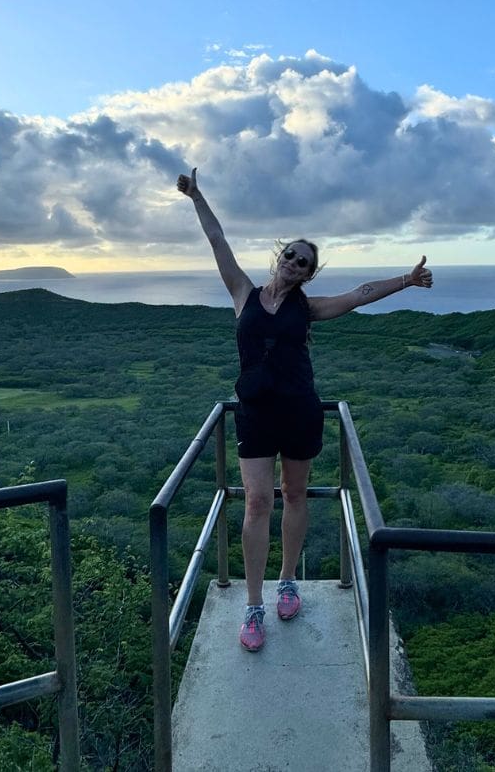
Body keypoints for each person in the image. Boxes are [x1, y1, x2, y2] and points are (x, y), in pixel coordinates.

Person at [177, 167, 433, 651]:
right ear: (280, 257)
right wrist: (197, 196)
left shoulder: (309, 309)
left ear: (308, 274)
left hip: (299, 411)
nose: (294, 263)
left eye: (304, 263)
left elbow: (359, 296)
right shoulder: (243, 294)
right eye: (291, 255)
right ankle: (254, 605)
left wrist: (406, 279)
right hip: (254, 413)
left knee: (295, 496)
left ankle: (288, 579)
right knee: (257, 501)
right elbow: (217, 241)